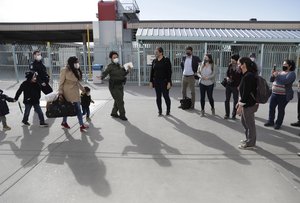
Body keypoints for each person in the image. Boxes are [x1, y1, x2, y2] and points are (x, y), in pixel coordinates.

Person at [264, 59, 296, 130]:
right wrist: (272, 75)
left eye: (285, 65)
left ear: (290, 66)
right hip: (274, 93)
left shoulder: (291, 74)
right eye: (283, 64)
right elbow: (271, 80)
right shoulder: (280, 72)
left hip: (283, 95)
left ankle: (278, 123)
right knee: (271, 108)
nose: (283, 66)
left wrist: (277, 75)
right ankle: (270, 121)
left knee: (280, 109)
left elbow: (285, 81)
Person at [58, 56, 88, 132]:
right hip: (67, 92)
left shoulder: (76, 70)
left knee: (77, 109)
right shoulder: (64, 70)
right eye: (76, 62)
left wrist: (83, 90)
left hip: (75, 93)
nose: (78, 63)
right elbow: (61, 82)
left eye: (78, 62)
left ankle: (81, 125)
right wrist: (60, 92)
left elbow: (77, 82)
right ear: (71, 63)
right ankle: (65, 122)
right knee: (67, 108)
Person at [101, 51, 131, 121]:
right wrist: (101, 77)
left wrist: (128, 71)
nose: (116, 58)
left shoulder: (120, 66)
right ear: (111, 58)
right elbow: (105, 73)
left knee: (118, 100)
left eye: (116, 57)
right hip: (114, 87)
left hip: (120, 85)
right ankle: (122, 115)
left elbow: (123, 74)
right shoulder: (110, 66)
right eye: (114, 57)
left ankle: (114, 112)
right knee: (120, 101)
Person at [236, 57, 258, 150]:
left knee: (250, 124)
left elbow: (246, 93)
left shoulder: (248, 76)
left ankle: (250, 143)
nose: (238, 66)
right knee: (244, 122)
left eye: (238, 64)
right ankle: (248, 139)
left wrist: (240, 106)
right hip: (247, 103)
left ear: (243, 65)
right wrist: (239, 102)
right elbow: (243, 92)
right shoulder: (246, 75)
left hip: (249, 104)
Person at [149, 47, 172, 116]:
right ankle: (160, 111)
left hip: (164, 82)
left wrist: (169, 82)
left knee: (166, 96)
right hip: (156, 82)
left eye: (156, 52)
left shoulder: (166, 60)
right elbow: (152, 72)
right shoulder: (154, 61)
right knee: (158, 97)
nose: (155, 53)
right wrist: (151, 82)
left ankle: (168, 110)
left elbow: (169, 72)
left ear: (161, 52)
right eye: (155, 52)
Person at [224, 54, 242, 120]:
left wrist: (239, 85)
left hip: (236, 86)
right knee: (227, 100)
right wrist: (227, 78)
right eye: (231, 59)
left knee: (235, 101)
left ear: (236, 60)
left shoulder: (240, 67)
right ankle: (227, 114)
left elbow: (242, 77)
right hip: (229, 85)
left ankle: (234, 115)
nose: (231, 60)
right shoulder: (230, 65)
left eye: (233, 59)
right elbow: (227, 73)